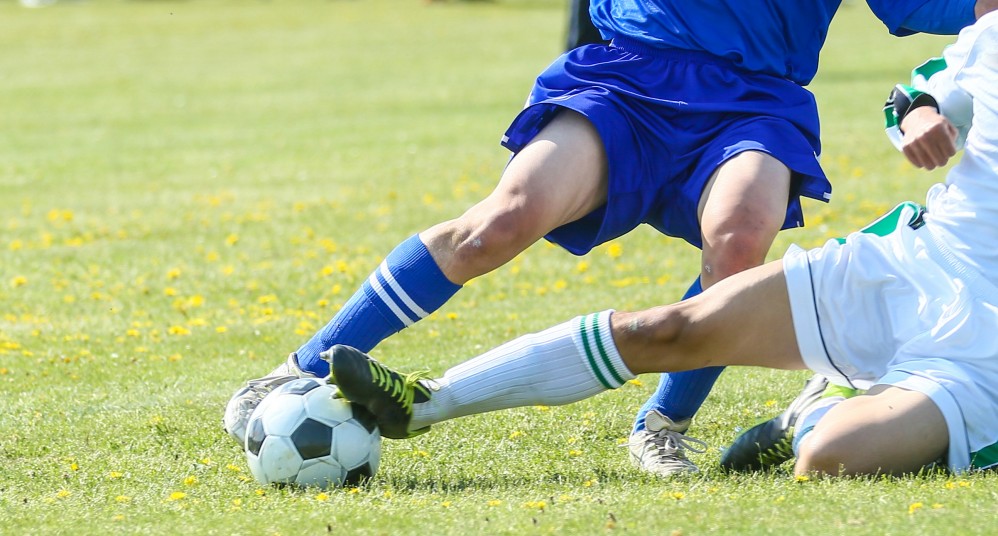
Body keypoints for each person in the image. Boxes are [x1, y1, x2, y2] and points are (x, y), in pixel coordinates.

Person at [224, 0, 988, 478]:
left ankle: (662, 427)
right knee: (499, 223)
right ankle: (293, 370)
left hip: (755, 100)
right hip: (630, 76)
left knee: (738, 237)